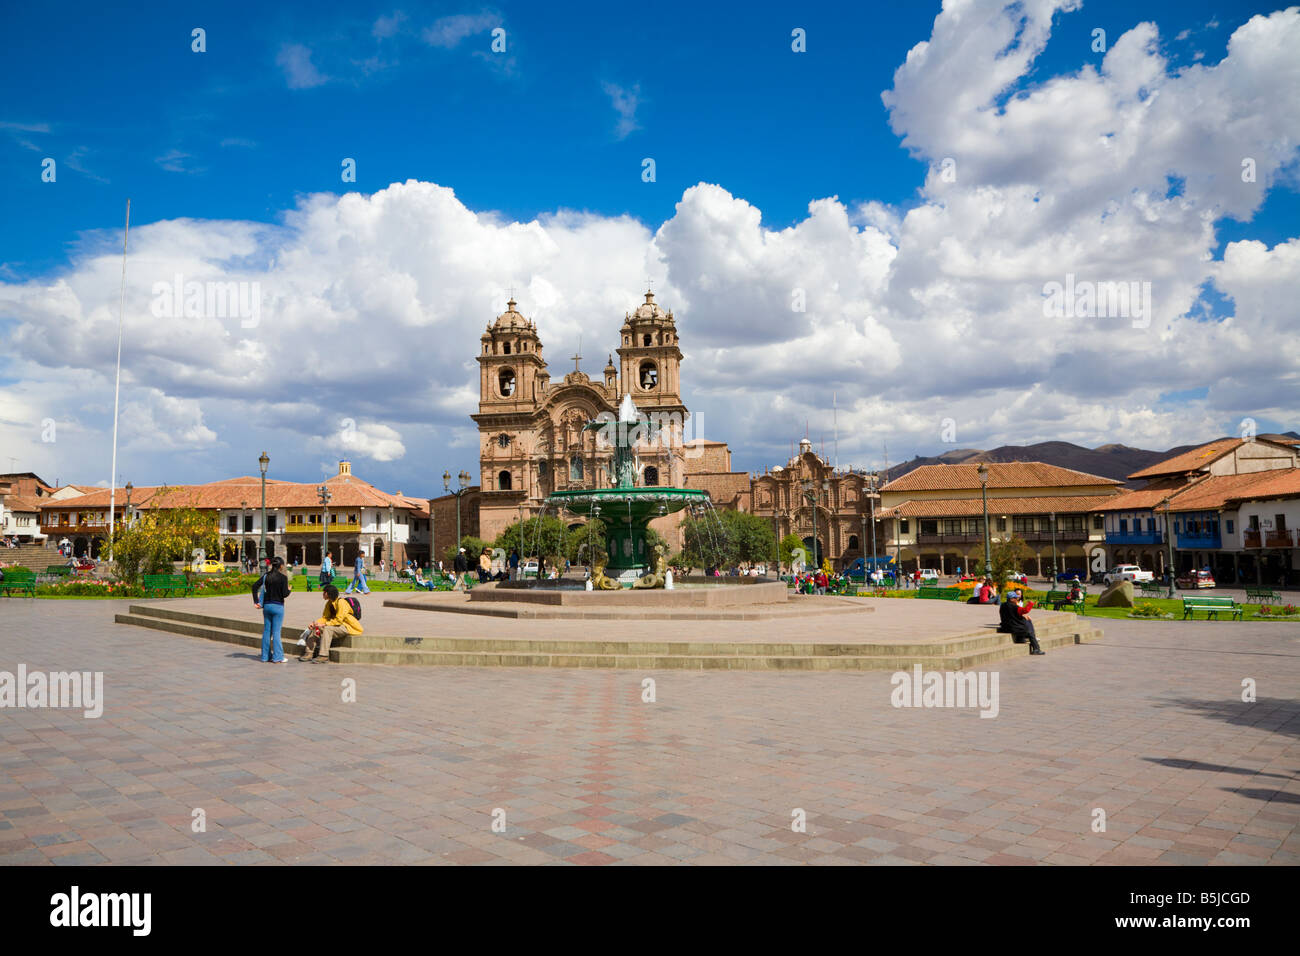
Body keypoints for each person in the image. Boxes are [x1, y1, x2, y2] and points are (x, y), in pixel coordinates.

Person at [300, 585, 363, 662]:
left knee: (328, 629)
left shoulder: (341, 603)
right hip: (336, 625)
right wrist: (315, 623)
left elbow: (339, 620)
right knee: (316, 628)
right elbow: (325, 617)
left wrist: (324, 624)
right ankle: (309, 653)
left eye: (324, 592)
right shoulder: (329, 603)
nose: (323, 594)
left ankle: (323, 655)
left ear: (327, 593)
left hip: (347, 626)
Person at [252, 556, 291, 663]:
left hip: (267, 606)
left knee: (267, 631)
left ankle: (265, 656)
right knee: (276, 632)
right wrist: (289, 590)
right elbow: (284, 594)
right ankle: (278, 657)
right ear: (281, 566)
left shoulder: (266, 576)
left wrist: (256, 601)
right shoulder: (283, 578)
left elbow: (254, 586)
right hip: (278, 607)